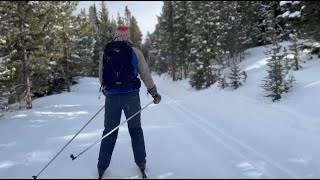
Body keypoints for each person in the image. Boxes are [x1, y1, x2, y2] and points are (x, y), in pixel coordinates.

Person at [97, 26, 161, 178]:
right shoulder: (135, 52)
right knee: (135, 130)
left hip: (112, 97)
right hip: (131, 97)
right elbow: (145, 73)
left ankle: (101, 166)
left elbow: (101, 75)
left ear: (116, 36)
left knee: (109, 132)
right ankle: (141, 162)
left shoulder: (106, 51)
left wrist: (106, 91)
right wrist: (153, 91)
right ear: (128, 36)